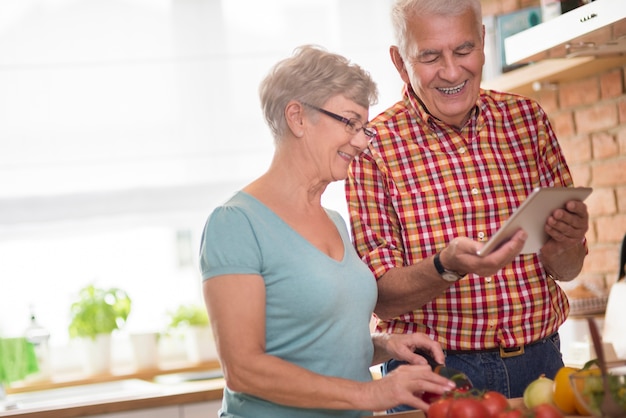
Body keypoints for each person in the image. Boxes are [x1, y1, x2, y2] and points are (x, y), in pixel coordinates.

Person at [345, 0, 590, 409]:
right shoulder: (372, 148)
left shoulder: (528, 120)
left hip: (543, 364)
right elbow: (381, 298)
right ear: (400, 63)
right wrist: (446, 266)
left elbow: (567, 270)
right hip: (435, 376)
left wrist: (567, 242)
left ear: (482, 41)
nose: (452, 71)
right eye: (429, 56)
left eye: (463, 50)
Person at [199, 45, 457, 418]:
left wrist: (384, 345)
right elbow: (244, 369)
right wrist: (370, 395)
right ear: (298, 117)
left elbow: (316, 346)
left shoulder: (334, 221)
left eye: (364, 127)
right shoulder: (236, 223)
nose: (361, 140)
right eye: (349, 122)